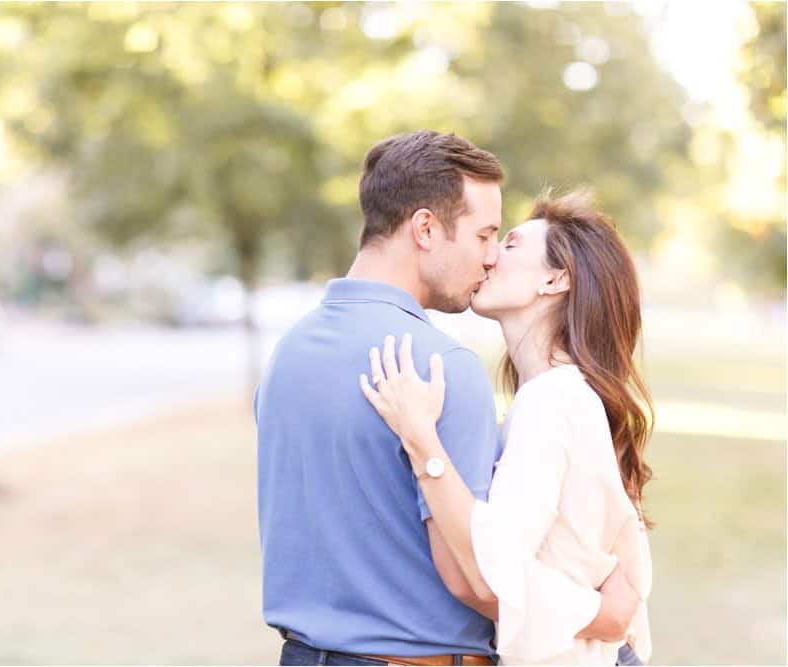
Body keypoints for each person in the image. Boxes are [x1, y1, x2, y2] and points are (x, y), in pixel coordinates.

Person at [255, 131, 640, 667]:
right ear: (426, 228)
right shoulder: (440, 367)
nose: (488, 257)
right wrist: (604, 617)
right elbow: (476, 577)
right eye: (485, 236)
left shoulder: (288, 356)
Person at [358, 189, 653, 665]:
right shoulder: (564, 396)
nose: (490, 255)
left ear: (556, 279)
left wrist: (419, 436)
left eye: (510, 244)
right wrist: (606, 613)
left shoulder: (553, 400)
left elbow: (495, 570)